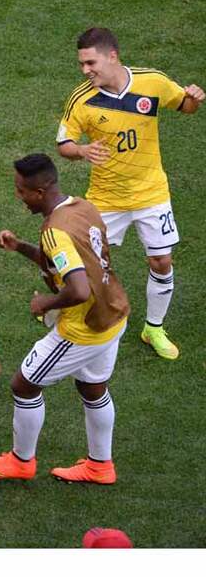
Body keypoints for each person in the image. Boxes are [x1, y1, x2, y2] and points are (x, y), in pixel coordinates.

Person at [56, 27, 203, 360]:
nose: (85, 70)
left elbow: (185, 105)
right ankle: (62, 307)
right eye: (81, 64)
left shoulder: (152, 82)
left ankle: (153, 328)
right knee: (85, 261)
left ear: (112, 56)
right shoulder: (82, 99)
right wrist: (81, 151)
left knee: (161, 261)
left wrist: (193, 97)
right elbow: (63, 143)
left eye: (90, 63)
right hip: (106, 198)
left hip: (152, 193)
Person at [0, 154, 130, 486]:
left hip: (84, 328)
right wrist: (21, 247)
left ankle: (20, 462)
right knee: (92, 387)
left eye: (22, 190)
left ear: (40, 191)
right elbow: (72, 262)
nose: (19, 196)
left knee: (24, 385)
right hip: (113, 311)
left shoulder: (55, 231)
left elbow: (78, 289)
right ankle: (100, 466)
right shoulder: (83, 207)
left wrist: (45, 302)